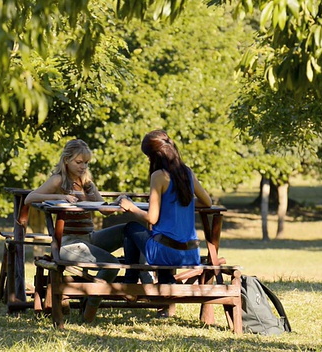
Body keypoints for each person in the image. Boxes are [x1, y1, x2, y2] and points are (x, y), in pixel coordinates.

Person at [24, 139, 126, 323]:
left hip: (89, 238)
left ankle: (142, 279)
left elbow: (104, 209)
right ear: (66, 161)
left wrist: (120, 202)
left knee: (129, 231)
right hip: (69, 243)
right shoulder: (58, 180)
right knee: (112, 264)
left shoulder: (87, 183)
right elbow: (30, 198)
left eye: (86, 163)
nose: (83, 166)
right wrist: (59, 196)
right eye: (79, 162)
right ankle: (89, 308)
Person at [116, 130, 212, 285]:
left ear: (154, 156)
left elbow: (151, 218)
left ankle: (130, 283)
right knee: (160, 238)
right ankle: (166, 281)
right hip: (191, 253)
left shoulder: (159, 176)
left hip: (166, 252)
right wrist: (183, 204)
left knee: (130, 228)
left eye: (148, 157)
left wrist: (131, 207)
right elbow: (207, 202)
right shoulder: (187, 172)